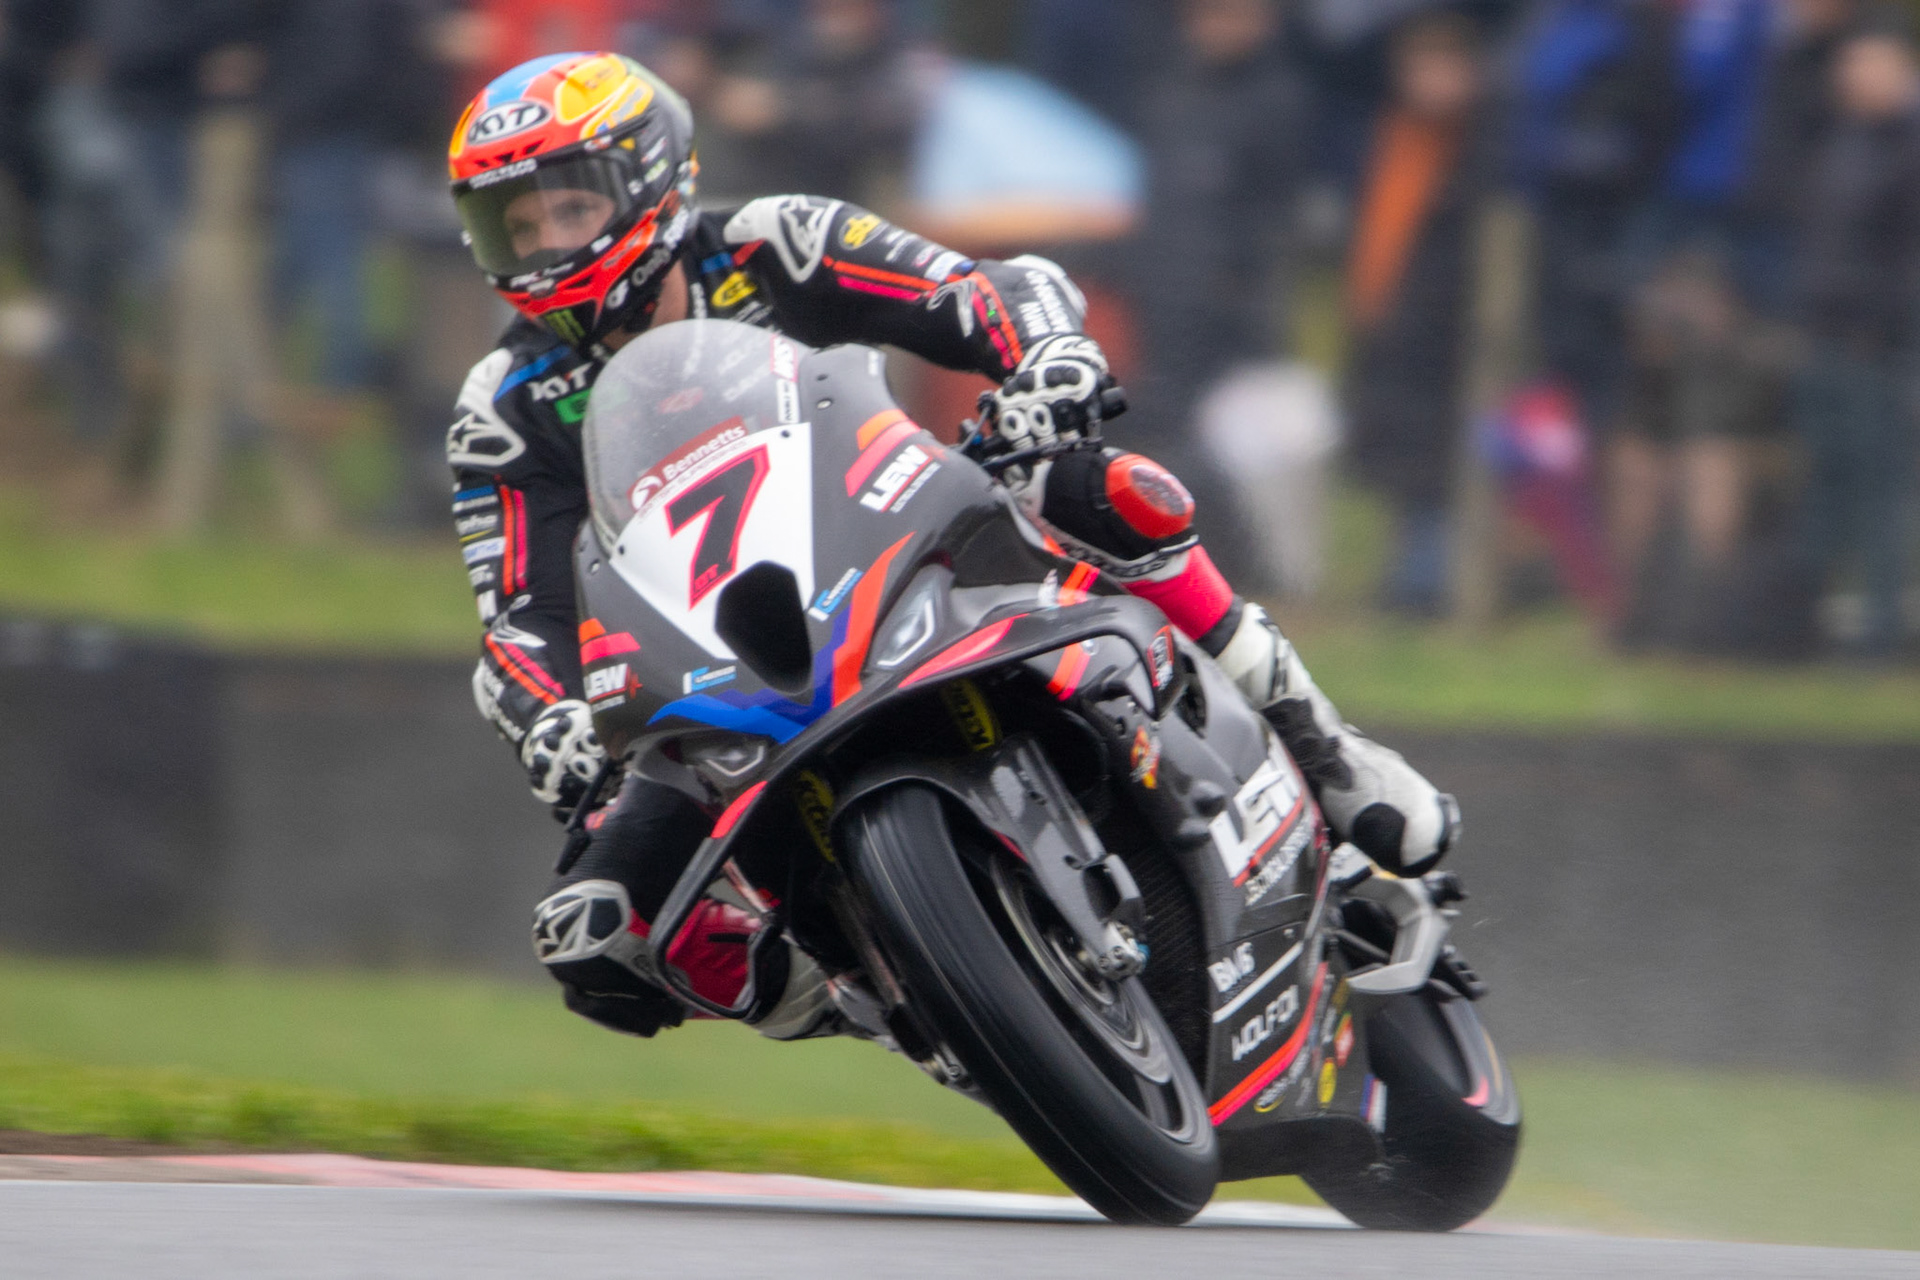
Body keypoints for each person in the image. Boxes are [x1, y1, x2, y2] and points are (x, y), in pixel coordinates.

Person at [443, 52, 1458, 1040]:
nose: (545, 244)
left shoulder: (773, 241)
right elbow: (519, 620)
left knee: (1098, 486)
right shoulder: (504, 407)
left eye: (567, 207)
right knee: (599, 927)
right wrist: (555, 720)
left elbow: (987, 290)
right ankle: (871, 989)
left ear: (650, 178)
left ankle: (1326, 750)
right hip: (720, 658)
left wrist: (1048, 360)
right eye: (515, 225)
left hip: (896, 521)